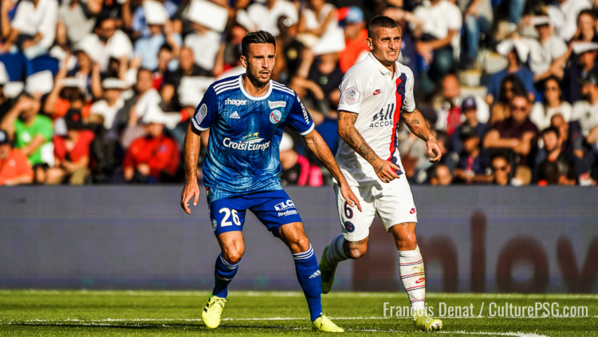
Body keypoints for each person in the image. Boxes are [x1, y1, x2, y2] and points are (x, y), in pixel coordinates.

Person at [179, 30, 360, 332]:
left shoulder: (285, 97)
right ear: (243, 61)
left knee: (301, 240)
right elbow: (195, 129)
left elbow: (312, 138)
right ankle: (218, 295)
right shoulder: (220, 92)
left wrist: (340, 178)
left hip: (266, 185)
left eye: (270, 57)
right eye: (258, 58)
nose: (266, 64)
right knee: (234, 251)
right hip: (224, 186)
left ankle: (318, 316)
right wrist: (190, 179)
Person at [317, 16, 443, 332]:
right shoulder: (357, 75)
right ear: (370, 43)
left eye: (397, 39)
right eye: (385, 40)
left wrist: (428, 136)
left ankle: (419, 311)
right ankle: (329, 259)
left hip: (391, 168)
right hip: (355, 174)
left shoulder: (405, 74)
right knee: (357, 248)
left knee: (407, 233)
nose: (392, 46)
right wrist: (374, 161)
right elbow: (344, 127)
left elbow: (410, 112)